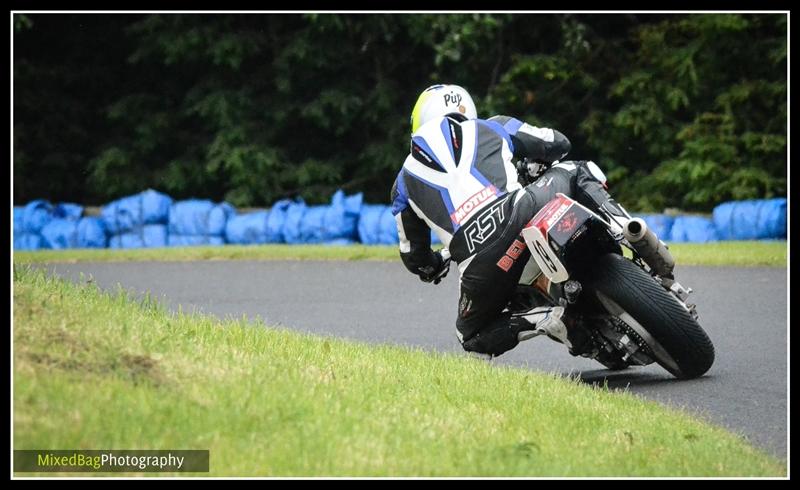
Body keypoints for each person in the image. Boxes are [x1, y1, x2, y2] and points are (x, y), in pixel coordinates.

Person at [390, 83, 635, 359]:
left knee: (470, 335)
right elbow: (557, 142)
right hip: (522, 208)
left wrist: (432, 266)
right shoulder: (494, 125)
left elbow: (414, 256)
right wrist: (535, 161)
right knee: (575, 169)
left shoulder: (402, 183)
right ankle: (627, 229)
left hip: (479, 258)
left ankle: (545, 320)